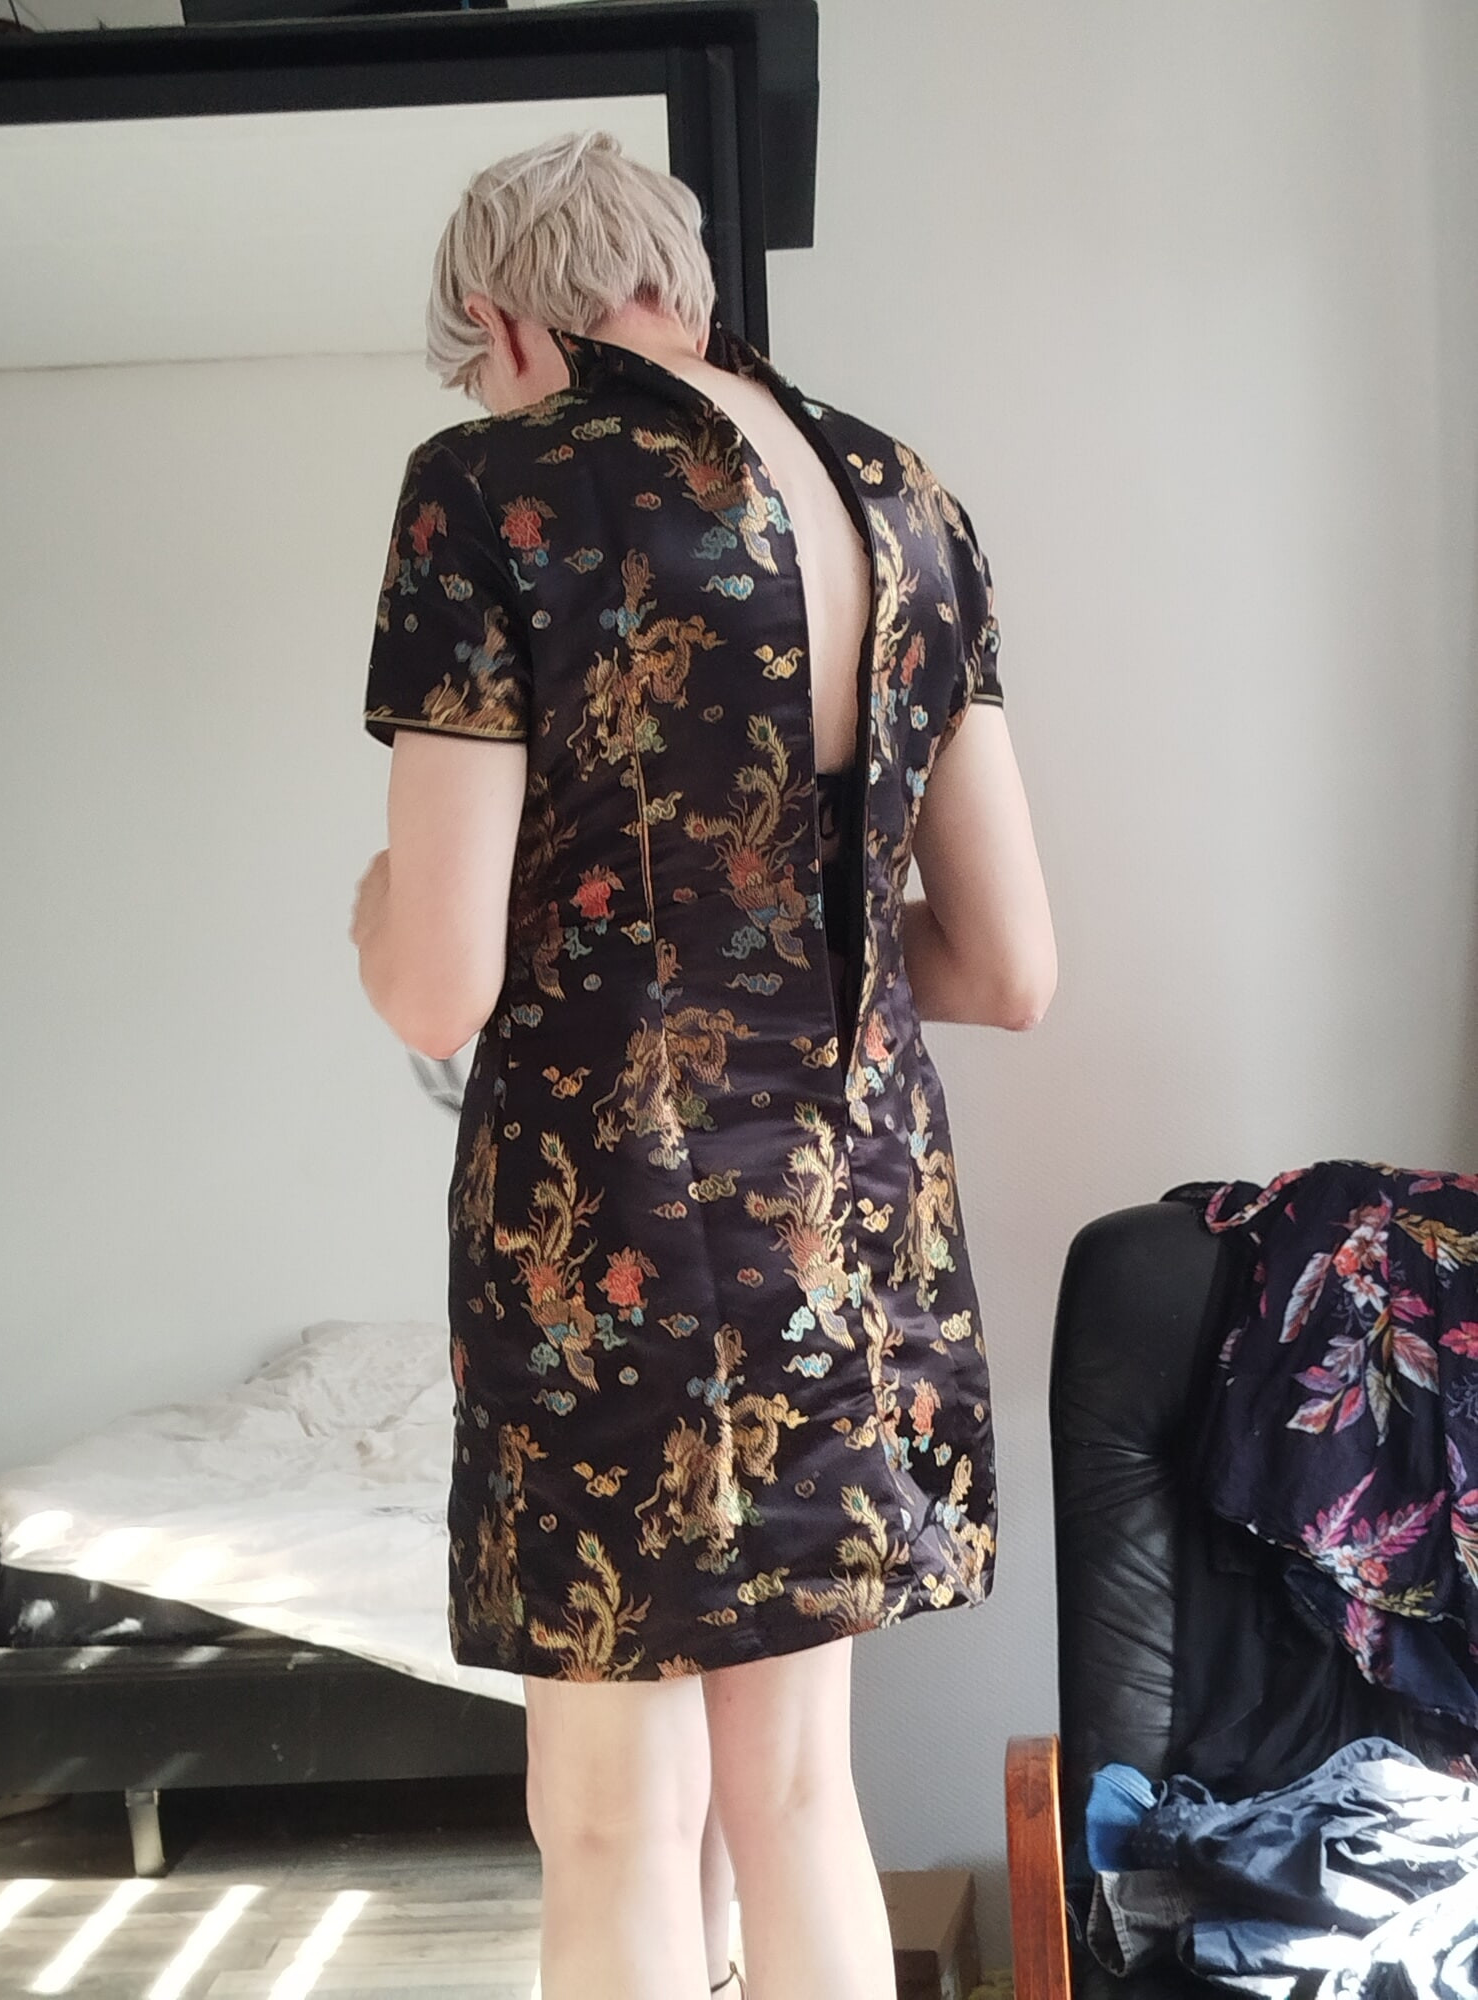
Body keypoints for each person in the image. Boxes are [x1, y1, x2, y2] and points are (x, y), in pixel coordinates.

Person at [350, 128, 1056, 2000]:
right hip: (852, 1217)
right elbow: (1007, 965)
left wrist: (375, 902)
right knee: (800, 1802)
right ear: (679, 280)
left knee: (609, 1822)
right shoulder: (906, 497)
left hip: (609, 1233)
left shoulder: (490, 486)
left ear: (504, 323)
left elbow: (433, 985)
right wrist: (786, 960)